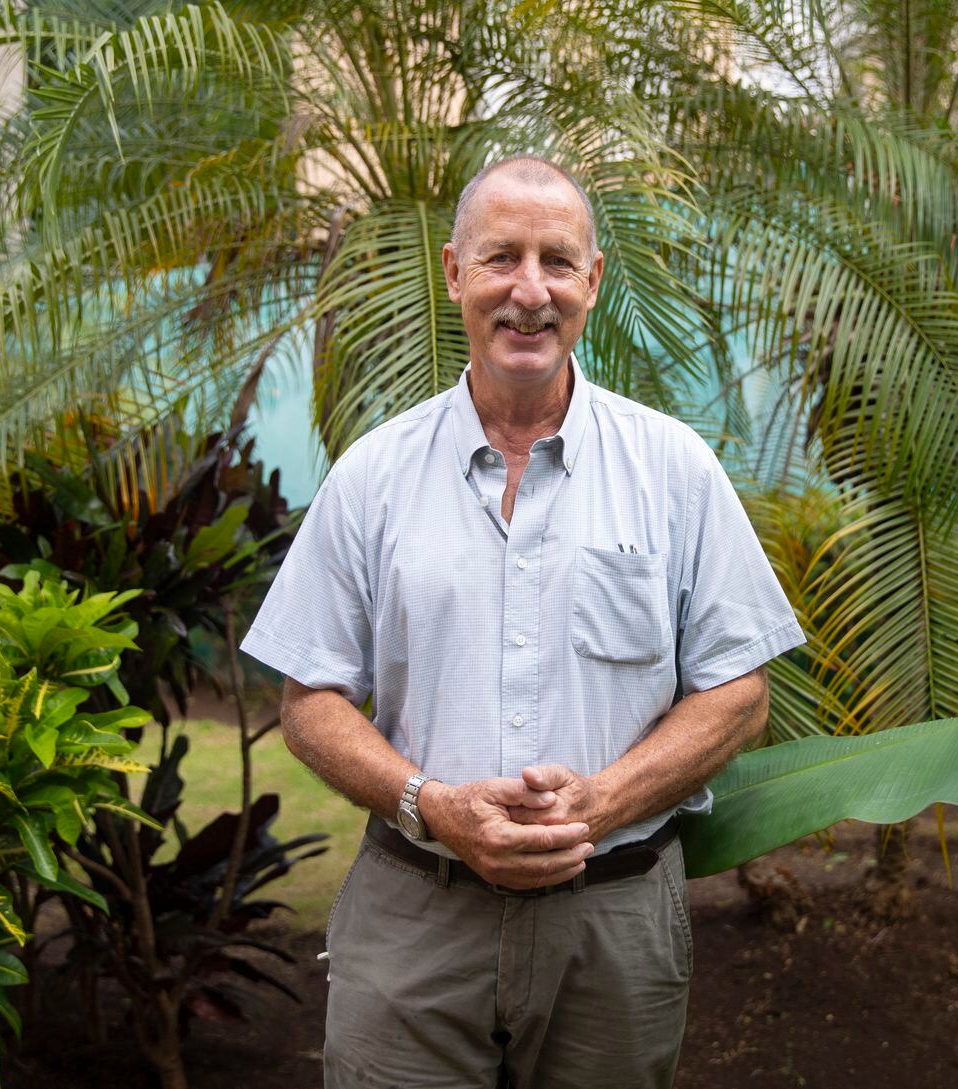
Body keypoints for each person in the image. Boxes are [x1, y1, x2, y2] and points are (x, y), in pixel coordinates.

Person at [240, 156, 805, 1088]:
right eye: (502, 257)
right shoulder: (372, 478)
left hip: (614, 922)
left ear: (592, 281)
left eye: (556, 260)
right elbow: (310, 699)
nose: (529, 291)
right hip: (414, 914)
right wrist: (436, 806)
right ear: (455, 273)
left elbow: (740, 694)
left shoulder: (675, 469)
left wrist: (604, 801)